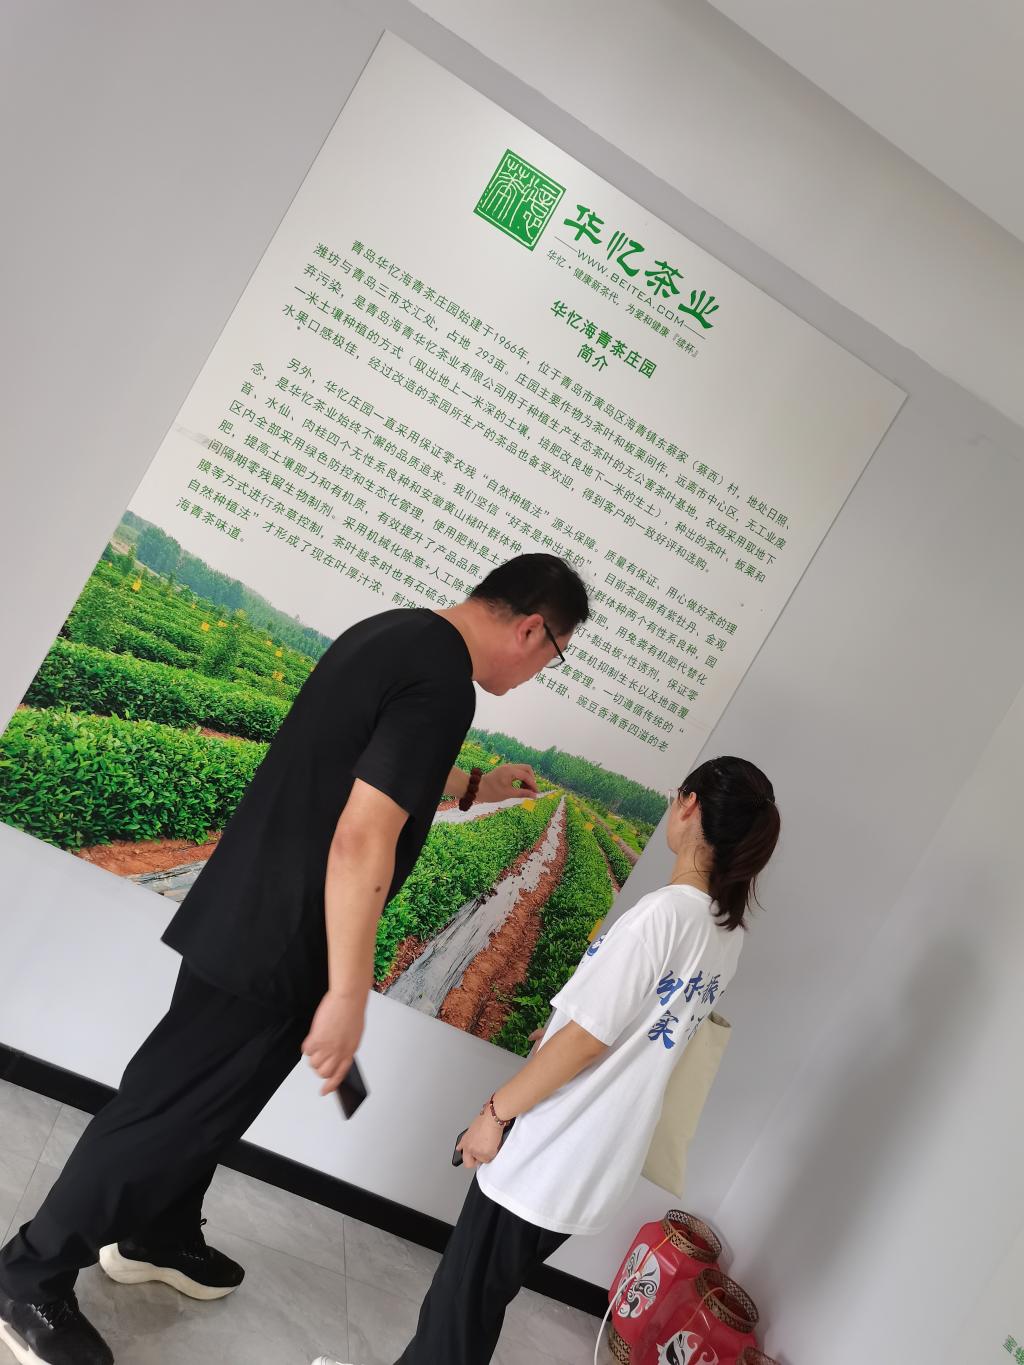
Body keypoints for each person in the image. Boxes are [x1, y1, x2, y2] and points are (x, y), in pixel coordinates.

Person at [0, 553, 590, 1365]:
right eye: (553, 655)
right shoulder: (443, 683)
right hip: (281, 938)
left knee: (206, 1104)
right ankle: (28, 1275)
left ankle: (156, 1233)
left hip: (250, 912)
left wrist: (476, 787)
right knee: (167, 1109)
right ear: (530, 628)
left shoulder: (396, 635)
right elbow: (360, 838)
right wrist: (348, 990)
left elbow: (372, 761)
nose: (537, 672)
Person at [312, 754, 781, 1365]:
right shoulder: (726, 933)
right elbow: (632, 1027)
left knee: (460, 1305)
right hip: (599, 1156)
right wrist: (562, 1028)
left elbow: (587, 1041)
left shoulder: (664, 915)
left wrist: (494, 1114)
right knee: (474, 1300)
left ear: (689, 805)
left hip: (555, 1145)